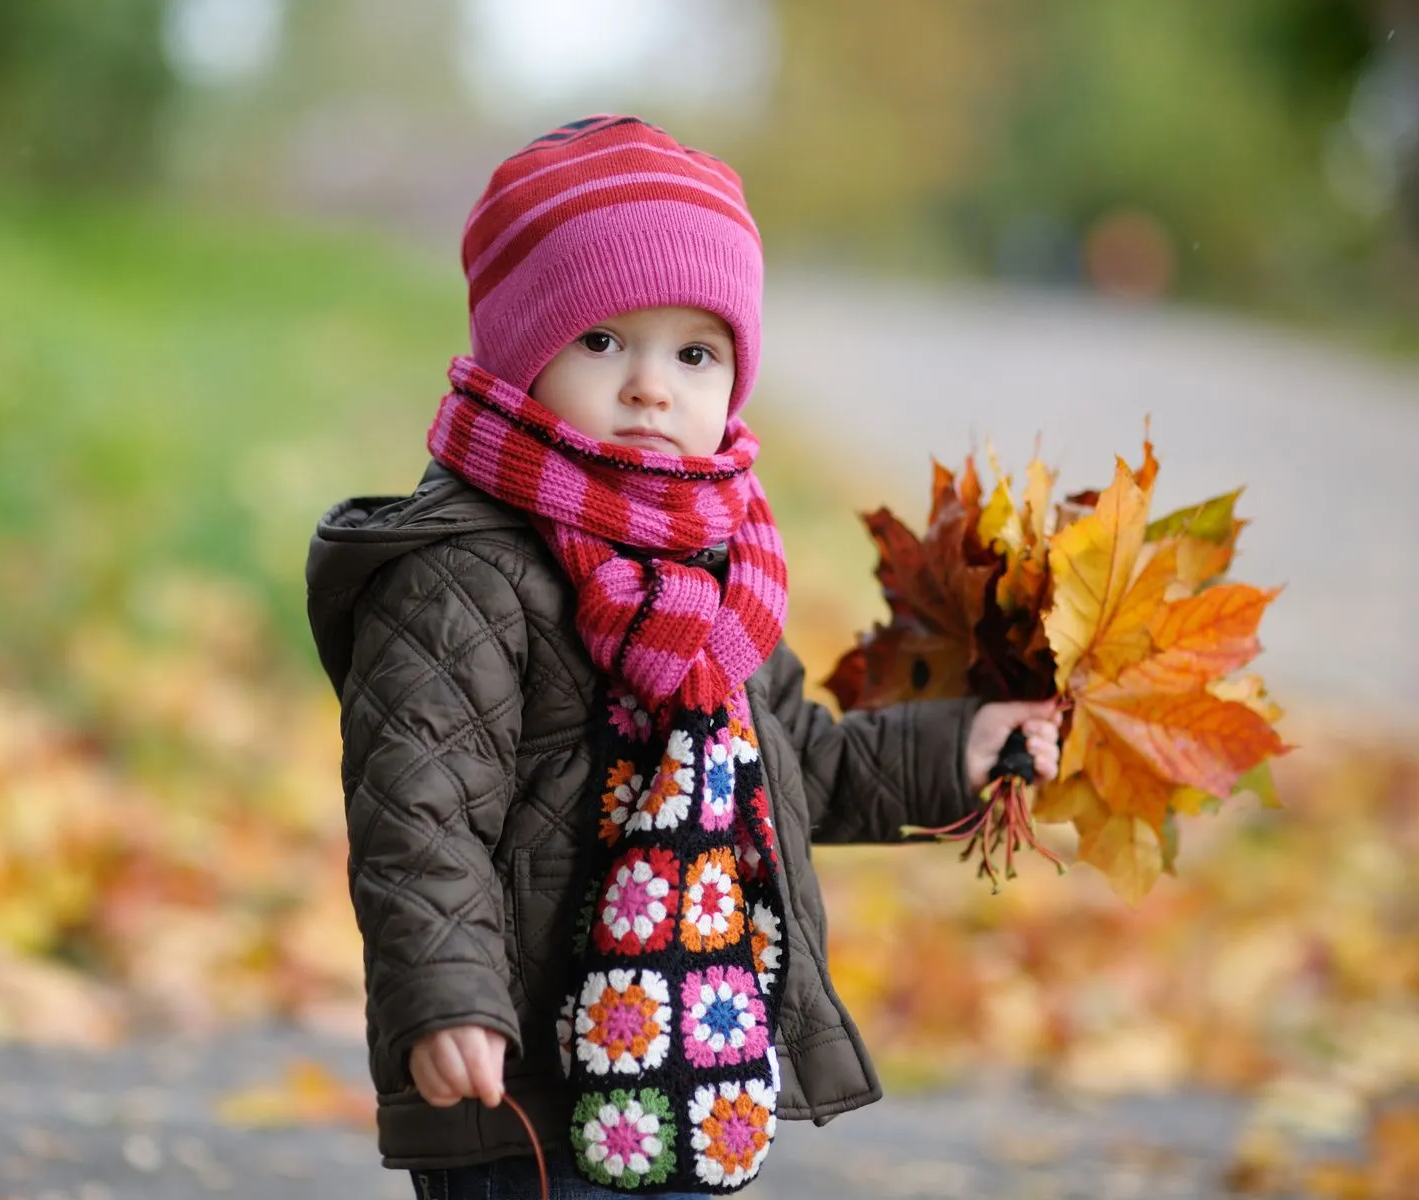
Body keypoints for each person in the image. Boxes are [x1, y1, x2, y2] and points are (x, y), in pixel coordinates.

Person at [305, 115, 1062, 1199]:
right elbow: (420, 816)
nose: (652, 386)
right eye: (603, 341)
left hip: (692, 1052)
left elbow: (797, 763)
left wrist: (962, 747)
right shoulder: (459, 574)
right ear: (520, 354)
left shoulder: (714, 572)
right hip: (524, 1072)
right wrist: (448, 998)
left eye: (694, 353)